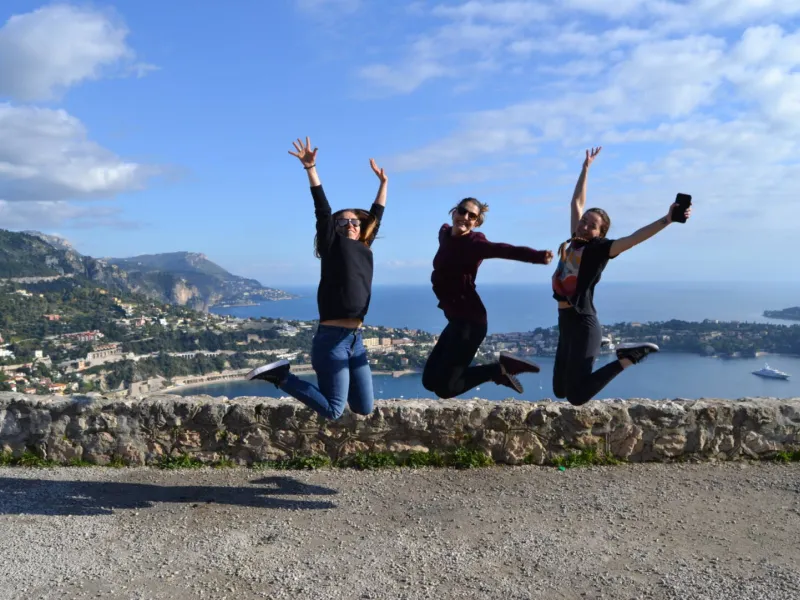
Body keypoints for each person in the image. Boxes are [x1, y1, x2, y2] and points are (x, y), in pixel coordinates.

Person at [246, 137, 387, 420]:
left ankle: (284, 376)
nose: (349, 224)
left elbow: (376, 216)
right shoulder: (331, 246)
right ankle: (282, 376)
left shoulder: (364, 247)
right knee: (334, 410)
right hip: (331, 340)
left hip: (356, 339)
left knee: (364, 407)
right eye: (342, 221)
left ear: (361, 227)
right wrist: (310, 169)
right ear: (334, 227)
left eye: (354, 221)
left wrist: (384, 184)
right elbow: (322, 209)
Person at [552, 146, 692, 406]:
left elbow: (633, 238)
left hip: (583, 325)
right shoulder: (574, 241)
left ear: (600, 233)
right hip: (566, 325)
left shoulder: (598, 250)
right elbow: (576, 203)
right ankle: (626, 358)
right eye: (583, 221)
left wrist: (667, 219)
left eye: (592, 225)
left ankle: (628, 359)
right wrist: (585, 169)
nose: (584, 225)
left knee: (576, 396)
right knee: (560, 390)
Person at [422, 197, 554, 399]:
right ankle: (499, 370)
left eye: (472, 216)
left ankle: (497, 370)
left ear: (476, 222)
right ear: (454, 212)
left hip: (471, 322)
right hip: (456, 320)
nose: (465, 217)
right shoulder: (445, 234)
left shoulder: (474, 243)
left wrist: (537, 256)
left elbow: (504, 250)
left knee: (445, 389)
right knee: (428, 381)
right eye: (462, 211)